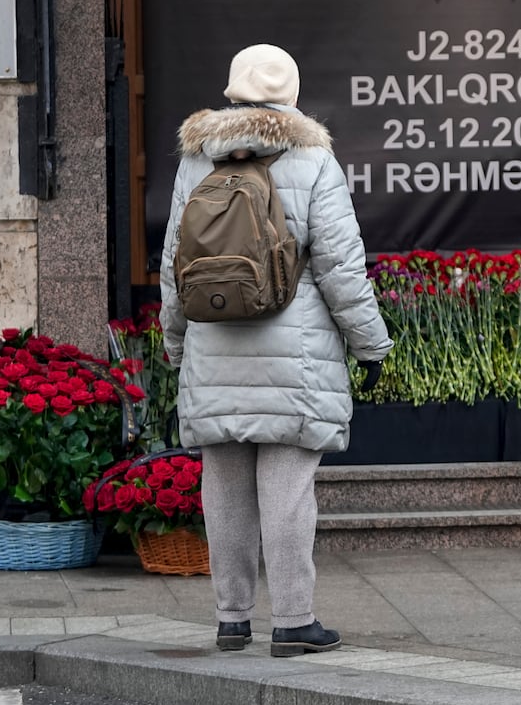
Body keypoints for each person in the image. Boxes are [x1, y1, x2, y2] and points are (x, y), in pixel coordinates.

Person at [160, 43, 392, 658]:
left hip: (213, 346)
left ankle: (232, 618)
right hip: (299, 356)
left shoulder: (195, 161)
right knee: (288, 491)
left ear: (234, 91)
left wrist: (176, 346)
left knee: (224, 488)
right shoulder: (314, 160)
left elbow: (173, 268)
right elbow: (342, 268)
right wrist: (371, 347)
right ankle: (293, 621)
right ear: (290, 94)